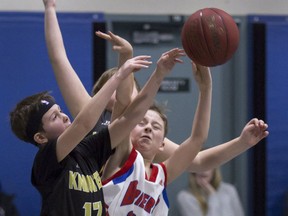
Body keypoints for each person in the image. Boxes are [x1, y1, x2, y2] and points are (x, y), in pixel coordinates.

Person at [43, 0, 269, 176]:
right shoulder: (89, 119)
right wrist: (50, 8)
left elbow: (197, 159)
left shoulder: (140, 129)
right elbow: (59, 59)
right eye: (109, 85)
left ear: (138, 94)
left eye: (125, 82)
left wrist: (241, 143)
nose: (118, 87)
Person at [9, 51, 153, 216]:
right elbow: (83, 124)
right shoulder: (45, 160)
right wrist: (118, 76)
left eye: (60, 110)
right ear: (41, 137)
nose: (64, 116)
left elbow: (129, 120)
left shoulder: (87, 150)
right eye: (54, 116)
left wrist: (159, 73)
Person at [101, 60, 212, 215]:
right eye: (142, 123)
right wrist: (157, 73)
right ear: (128, 130)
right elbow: (122, 103)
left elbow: (197, 139)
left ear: (162, 144)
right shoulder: (121, 156)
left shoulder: (161, 175)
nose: (148, 128)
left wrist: (205, 88)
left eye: (156, 127)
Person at [176, 167, 244, 216]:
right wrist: (212, 196)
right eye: (199, 166)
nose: (203, 169)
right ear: (193, 171)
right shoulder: (185, 197)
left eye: (208, 165)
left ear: (214, 169)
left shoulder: (229, 190)